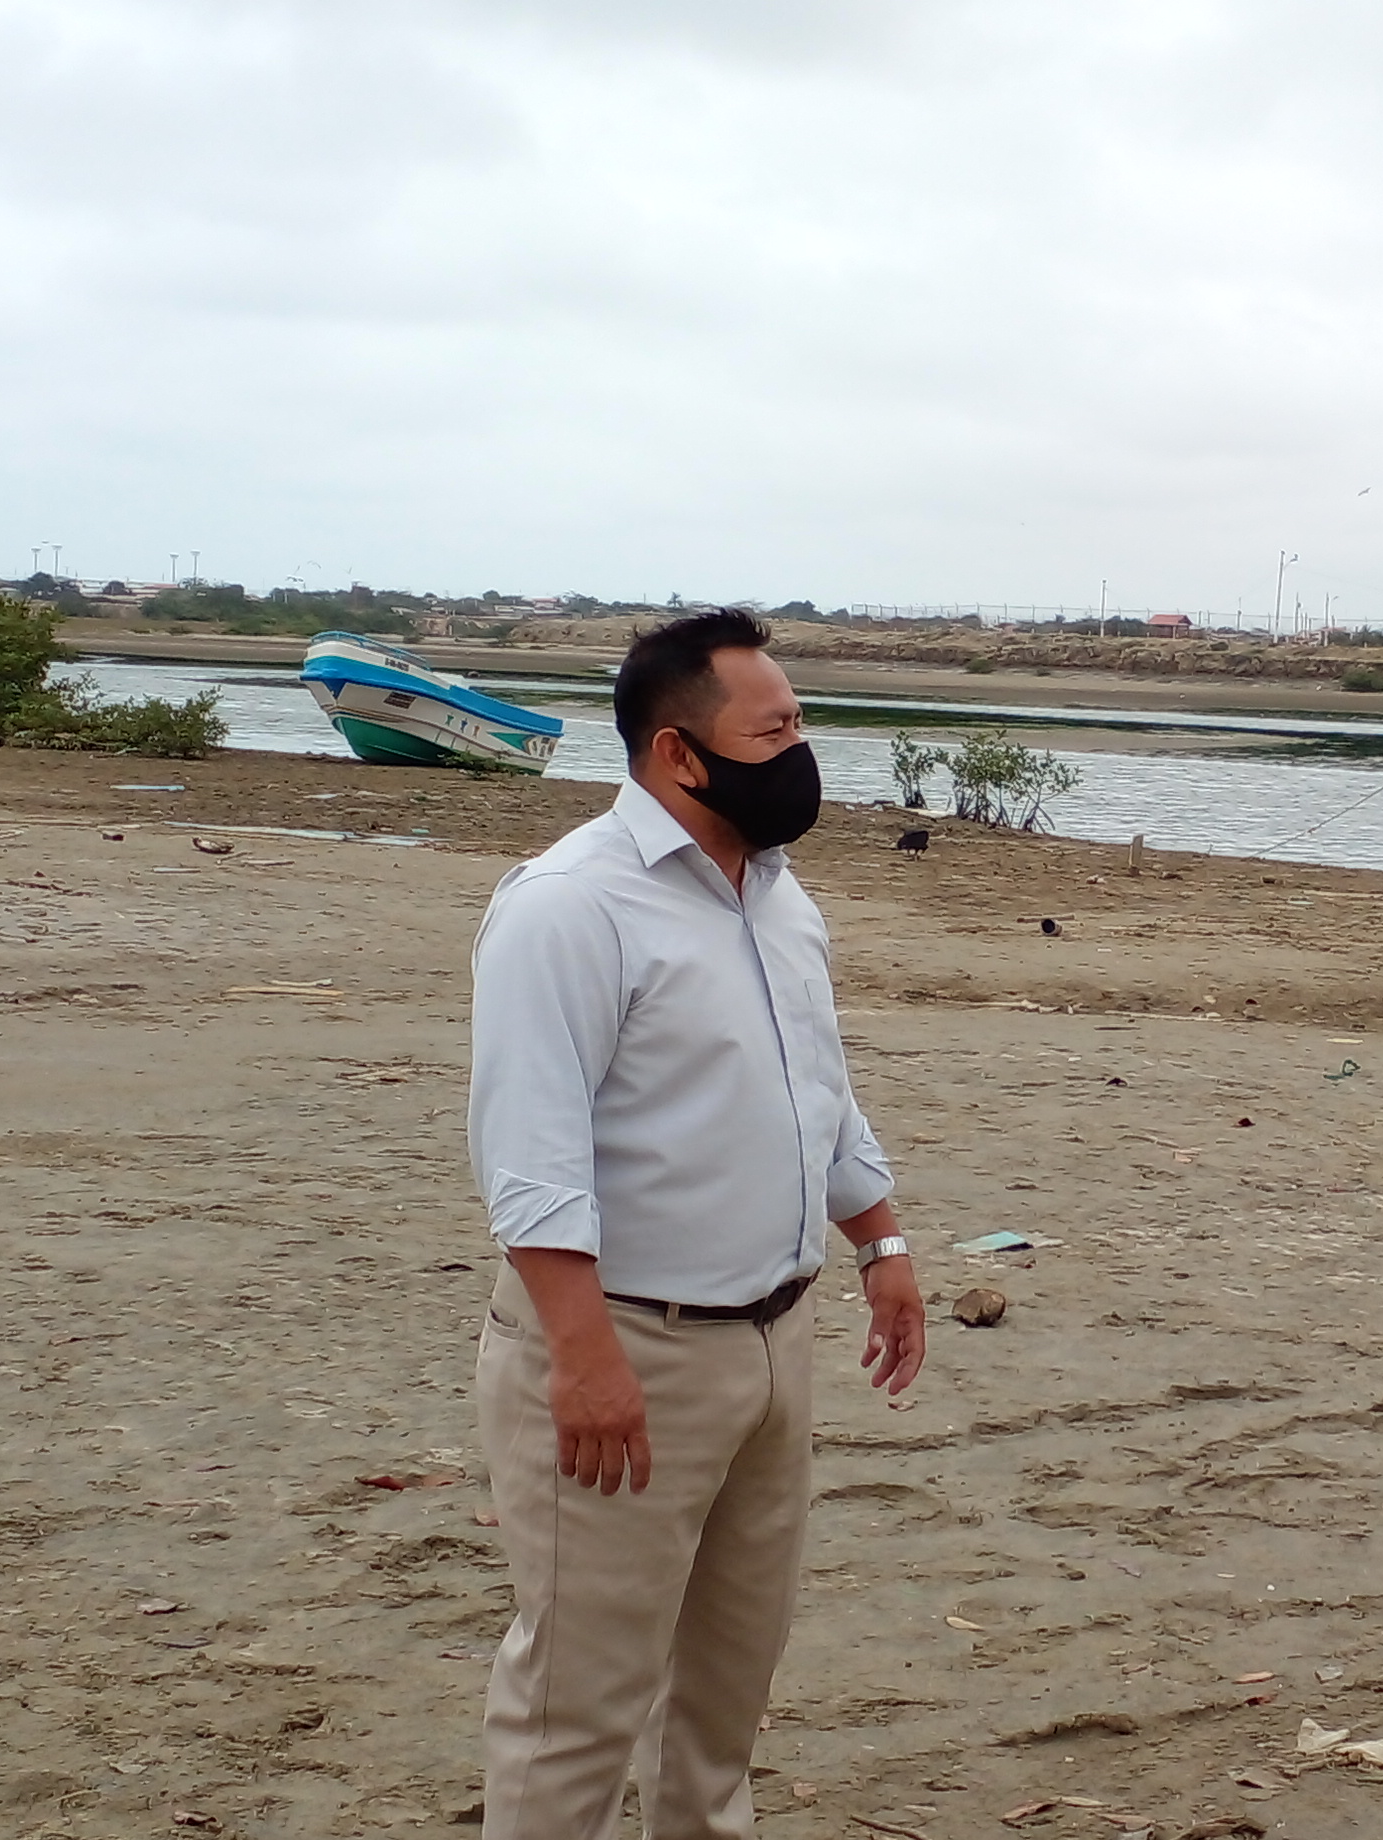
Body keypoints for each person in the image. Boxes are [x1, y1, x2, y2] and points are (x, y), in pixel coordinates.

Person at [464, 609, 926, 1840]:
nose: (798, 752)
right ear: (678, 752)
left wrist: (879, 1243)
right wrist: (583, 1357)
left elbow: (815, 1090)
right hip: (629, 1345)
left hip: (772, 1342)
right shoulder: (569, 906)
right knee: (576, 1702)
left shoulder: (776, 896)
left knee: (726, 1691)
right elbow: (531, 1158)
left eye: (799, 724)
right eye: (772, 732)